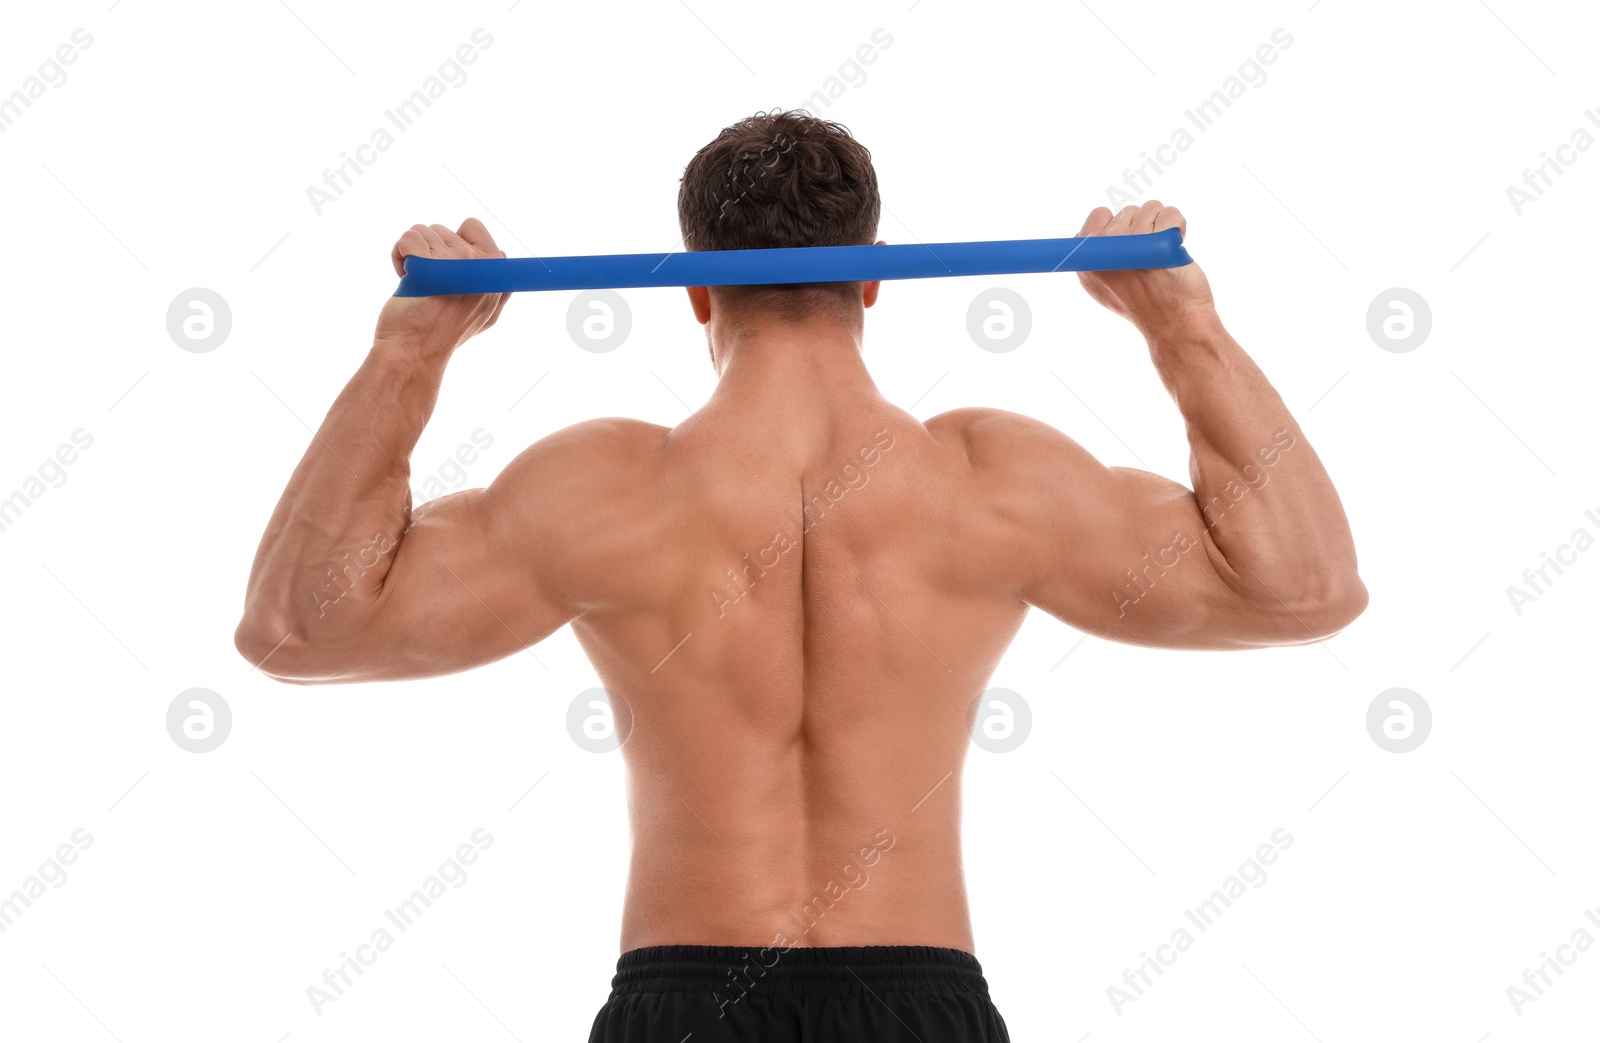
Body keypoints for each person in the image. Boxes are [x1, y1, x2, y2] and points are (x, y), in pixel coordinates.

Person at [234, 109, 1366, 1041]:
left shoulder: (602, 489)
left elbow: (299, 629)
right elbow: (1303, 587)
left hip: (682, 1008)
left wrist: (410, 353)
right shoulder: (992, 480)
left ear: (692, 288)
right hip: (918, 1003)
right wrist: (1181, 326)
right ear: (871, 279)